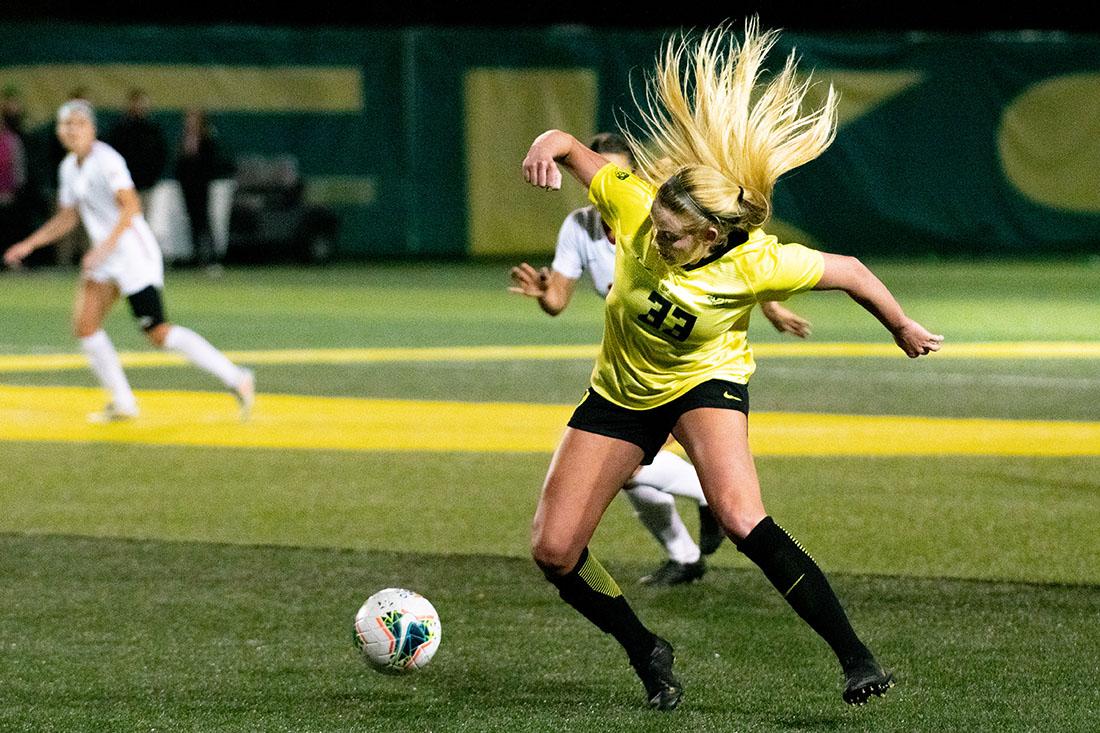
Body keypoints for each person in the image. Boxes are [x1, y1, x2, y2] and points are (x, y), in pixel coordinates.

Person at [521, 20, 942, 711]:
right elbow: (566, 145)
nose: (655, 237)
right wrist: (543, 147)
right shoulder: (635, 207)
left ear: (712, 235)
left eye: (673, 234)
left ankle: (855, 655)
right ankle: (645, 648)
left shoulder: (756, 261)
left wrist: (900, 324)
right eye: (653, 224)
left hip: (703, 382)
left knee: (744, 516)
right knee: (554, 550)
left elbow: (853, 271)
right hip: (622, 391)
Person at [510, 131, 812, 586]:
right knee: (628, 475)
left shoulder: (662, 221)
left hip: (697, 371)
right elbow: (557, 301)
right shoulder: (582, 226)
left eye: (619, 167)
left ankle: (703, 518)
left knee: (630, 469)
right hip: (636, 365)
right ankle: (686, 554)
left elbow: (734, 260)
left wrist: (770, 305)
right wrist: (542, 292)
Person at [3, 100, 255, 422]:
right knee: (85, 326)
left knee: (158, 333)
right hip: (107, 256)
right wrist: (28, 244)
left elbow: (131, 206)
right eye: (66, 124)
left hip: (132, 253)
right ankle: (123, 402)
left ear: (92, 128)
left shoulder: (107, 160)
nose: (72, 130)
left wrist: (103, 248)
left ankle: (237, 378)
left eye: (79, 123)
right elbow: (67, 218)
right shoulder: (69, 167)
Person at [175, 108, 235, 267]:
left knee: (206, 222)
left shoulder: (207, 139)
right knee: (193, 222)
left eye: (194, 119)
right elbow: (179, 163)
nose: (190, 123)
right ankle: (197, 257)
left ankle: (214, 257)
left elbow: (211, 162)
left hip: (202, 186)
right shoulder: (184, 140)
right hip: (187, 186)